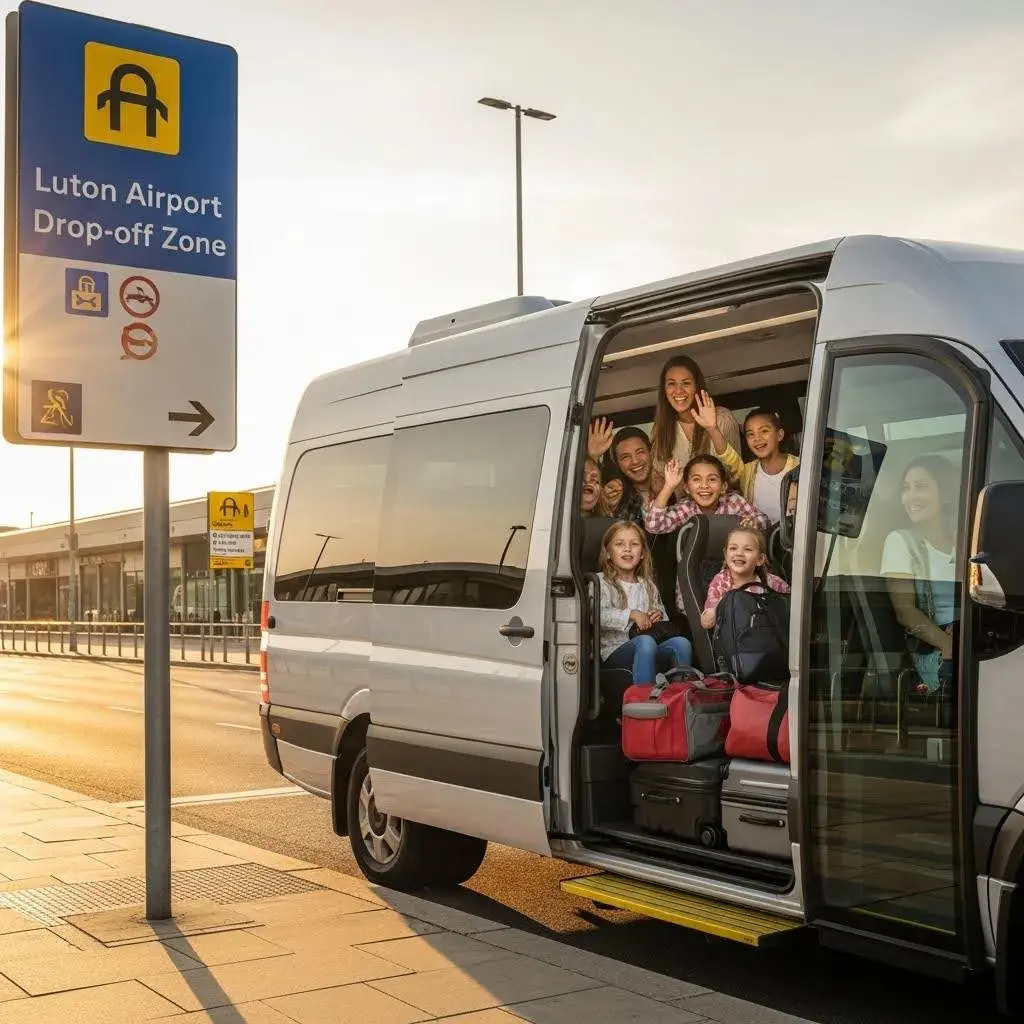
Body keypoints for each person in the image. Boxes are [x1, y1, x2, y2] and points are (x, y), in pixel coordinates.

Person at [645, 454, 769, 612]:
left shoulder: (733, 502)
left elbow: (763, 519)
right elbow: (653, 525)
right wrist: (668, 486)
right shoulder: (685, 509)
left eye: (712, 479)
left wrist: (754, 523)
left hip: (734, 580)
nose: (704, 486)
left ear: (723, 487)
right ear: (686, 487)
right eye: (696, 479)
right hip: (694, 582)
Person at [880, 455, 960, 693]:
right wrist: (949, 644)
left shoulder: (966, 538)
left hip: (982, 639)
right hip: (941, 651)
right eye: (906, 488)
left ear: (946, 494)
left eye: (921, 486)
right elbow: (905, 612)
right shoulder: (901, 541)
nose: (910, 496)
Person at [598, 521, 693, 683]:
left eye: (634, 544)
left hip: (649, 642)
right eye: (619, 544)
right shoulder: (600, 582)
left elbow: (662, 615)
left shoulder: (647, 584)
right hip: (613, 650)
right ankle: (644, 700)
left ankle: (679, 696)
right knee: (645, 642)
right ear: (608, 553)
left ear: (642, 553)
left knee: (681, 643)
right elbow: (596, 615)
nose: (627, 549)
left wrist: (658, 615)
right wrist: (631, 614)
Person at [650, 355, 742, 499]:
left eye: (686, 383)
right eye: (671, 384)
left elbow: (735, 474)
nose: (678, 391)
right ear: (664, 390)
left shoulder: (722, 418)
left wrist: (713, 429)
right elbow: (658, 479)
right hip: (684, 515)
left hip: (723, 511)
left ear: (697, 387)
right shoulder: (660, 429)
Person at [700, 525, 790, 629]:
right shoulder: (721, 581)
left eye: (747, 549)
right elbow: (707, 619)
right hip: (735, 639)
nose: (739, 553)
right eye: (733, 548)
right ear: (725, 555)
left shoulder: (772, 582)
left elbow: (792, 606)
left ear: (760, 559)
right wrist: (713, 614)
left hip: (767, 636)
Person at [588, 420, 664, 528]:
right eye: (625, 457)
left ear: (650, 453)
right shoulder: (617, 495)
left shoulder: (670, 484)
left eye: (640, 452)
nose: (635, 461)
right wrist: (593, 457)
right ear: (617, 464)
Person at [735, 408, 800, 524]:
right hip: (760, 539)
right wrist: (713, 428)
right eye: (751, 434)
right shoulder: (747, 471)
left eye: (764, 431)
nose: (757, 438)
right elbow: (730, 461)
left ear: (779, 435)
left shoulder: (800, 466)